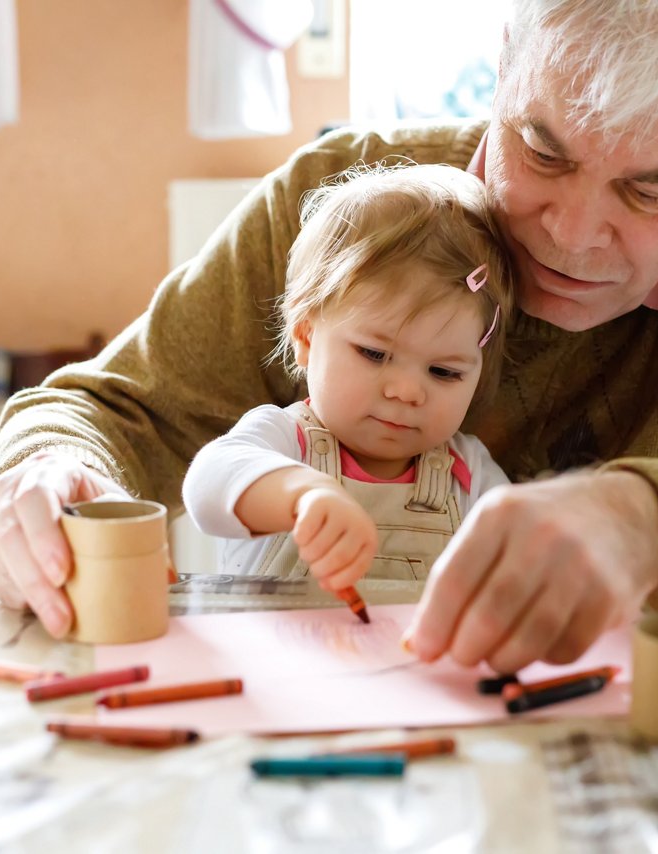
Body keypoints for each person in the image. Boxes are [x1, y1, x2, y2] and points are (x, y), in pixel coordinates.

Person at [0, 0, 658, 675]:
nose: (573, 232)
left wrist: (652, 519)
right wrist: (46, 470)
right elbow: (104, 406)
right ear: (502, 71)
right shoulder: (353, 209)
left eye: (651, 186)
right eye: (541, 147)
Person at [182, 164, 513, 589]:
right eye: (374, 354)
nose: (407, 391)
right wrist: (300, 495)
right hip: (281, 654)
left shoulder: (467, 472)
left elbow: (522, 555)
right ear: (305, 336)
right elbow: (206, 487)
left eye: (444, 372)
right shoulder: (285, 440)